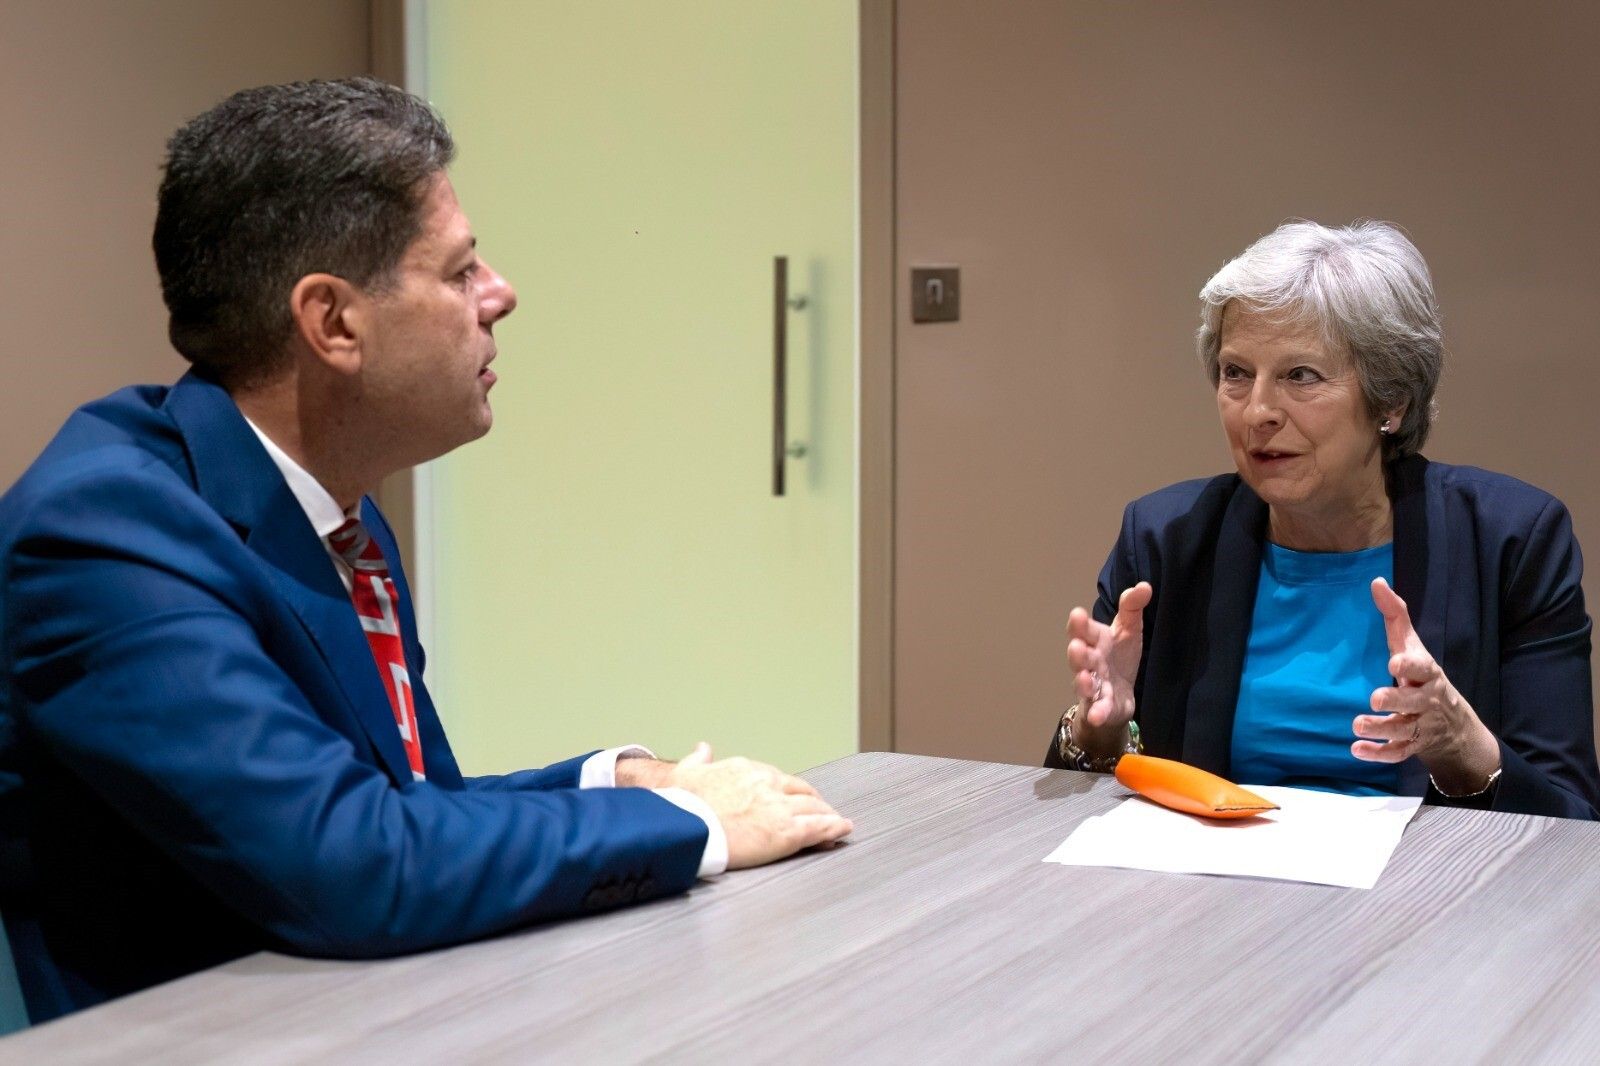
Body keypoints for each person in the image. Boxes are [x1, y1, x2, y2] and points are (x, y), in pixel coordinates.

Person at [0, 78, 852, 1022]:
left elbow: (409, 806)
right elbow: (352, 861)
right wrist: (696, 825)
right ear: (332, 323)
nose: (501, 294)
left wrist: (616, 779)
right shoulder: (103, 534)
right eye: (459, 271)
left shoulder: (330, 509)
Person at [1044, 219, 1600, 820]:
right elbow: (1079, 801)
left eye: (1299, 376)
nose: (1257, 411)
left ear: (1390, 400)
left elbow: (1572, 823)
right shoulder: (1166, 538)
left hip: (1425, 893)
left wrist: (1464, 746)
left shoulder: (1510, 541)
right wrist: (1102, 729)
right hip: (1215, 887)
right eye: (1236, 373)